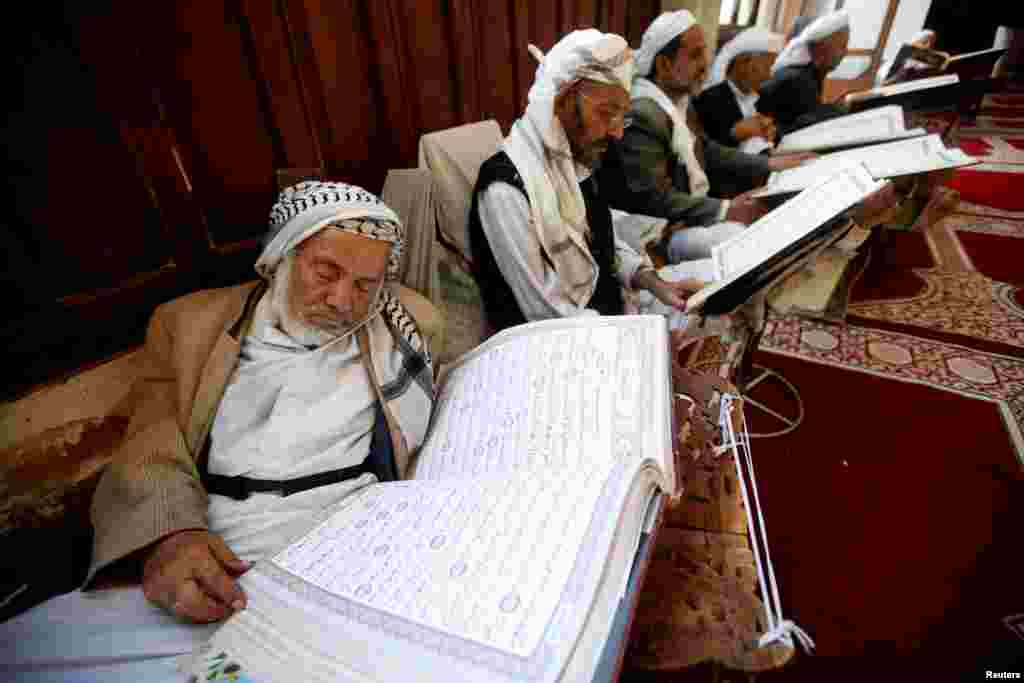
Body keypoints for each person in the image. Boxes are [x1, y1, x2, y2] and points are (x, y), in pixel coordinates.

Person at [0, 182, 440, 681]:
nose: (344, 300)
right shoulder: (190, 326)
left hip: (349, 542)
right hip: (224, 544)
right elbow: (152, 441)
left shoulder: (407, 327)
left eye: (366, 283)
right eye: (326, 272)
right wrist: (170, 535)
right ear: (282, 257)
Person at [468, 28, 718, 336]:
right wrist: (644, 341)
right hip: (559, 346)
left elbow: (604, 243)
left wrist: (654, 283)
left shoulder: (575, 159)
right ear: (563, 100)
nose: (617, 133)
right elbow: (548, 316)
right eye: (606, 113)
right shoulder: (505, 190)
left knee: (714, 294)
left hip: (606, 315)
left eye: (621, 116)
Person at [597, 11, 812, 265]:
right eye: (696, 55)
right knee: (747, 243)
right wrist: (725, 209)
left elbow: (706, 150)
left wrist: (770, 164)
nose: (705, 64)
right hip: (656, 234)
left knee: (771, 227)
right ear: (665, 64)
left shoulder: (678, 101)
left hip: (685, 217)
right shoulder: (645, 112)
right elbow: (652, 200)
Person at [758, 9, 851, 136]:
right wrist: (840, 109)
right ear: (821, 49)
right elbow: (806, 129)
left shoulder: (808, 73)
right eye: (842, 46)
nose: (845, 52)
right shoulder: (798, 80)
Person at [694, 27, 787, 153]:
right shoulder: (710, 99)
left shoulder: (765, 96)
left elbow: (776, 133)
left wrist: (772, 133)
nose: (769, 76)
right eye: (766, 67)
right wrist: (735, 133)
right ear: (743, 64)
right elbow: (707, 151)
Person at [875, 29, 941, 85]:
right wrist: (905, 69)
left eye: (932, 44)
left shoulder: (929, 60)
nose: (928, 46)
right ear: (914, 42)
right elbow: (885, 81)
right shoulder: (902, 54)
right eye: (924, 42)